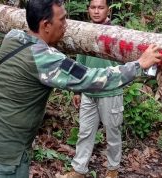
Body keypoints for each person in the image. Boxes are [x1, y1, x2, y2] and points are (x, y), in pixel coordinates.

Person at [0, 0, 162, 178]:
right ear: (46, 25)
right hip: (4, 158)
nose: (67, 26)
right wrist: (138, 65)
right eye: (63, 20)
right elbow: (91, 79)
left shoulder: (12, 37)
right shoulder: (46, 59)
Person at [58, 1, 124, 178]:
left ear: (107, 10)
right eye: (93, 7)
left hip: (110, 91)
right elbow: (80, 62)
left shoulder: (117, 33)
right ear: (88, 10)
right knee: (85, 132)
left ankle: (112, 170)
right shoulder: (84, 31)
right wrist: (78, 90)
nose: (96, 11)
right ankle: (79, 170)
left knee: (113, 133)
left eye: (100, 7)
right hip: (88, 91)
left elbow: (125, 63)